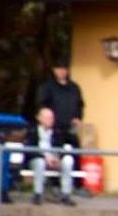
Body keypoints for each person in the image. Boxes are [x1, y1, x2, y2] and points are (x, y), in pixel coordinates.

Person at [36, 59, 86, 194]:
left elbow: (80, 105)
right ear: (54, 70)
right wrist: (47, 119)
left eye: (64, 69)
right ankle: (55, 184)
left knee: (75, 153)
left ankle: (78, 185)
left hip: (70, 127)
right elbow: (42, 105)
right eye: (59, 69)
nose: (62, 72)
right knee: (55, 154)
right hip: (54, 128)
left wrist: (78, 117)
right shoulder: (47, 87)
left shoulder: (74, 87)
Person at [24, 107, 76, 206]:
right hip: (37, 159)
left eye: (51, 118)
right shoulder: (33, 131)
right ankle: (37, 194)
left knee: (68, 161)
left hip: (55, 159)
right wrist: (44, 157)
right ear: (39, 118)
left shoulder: (58, 131)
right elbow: (29, 150)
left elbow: (65, 146)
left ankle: (66, 195)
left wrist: (58, 157)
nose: (50, 120)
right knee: (40, 162)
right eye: (47, 118)